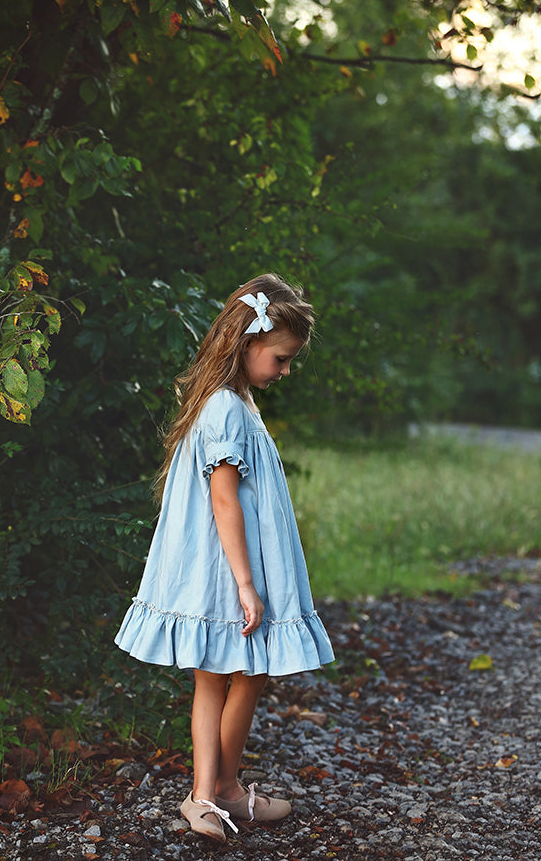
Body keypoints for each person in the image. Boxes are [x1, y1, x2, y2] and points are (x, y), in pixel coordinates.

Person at [114, 273, 334, 843]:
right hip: (221, 567)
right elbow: (222, 495)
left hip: (225, 562)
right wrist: (245, 582)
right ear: (247, 344)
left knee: (230, 676)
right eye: (281, 358)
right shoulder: (225, 408)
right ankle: (208, 794)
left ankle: (223, 789)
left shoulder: (232, 401)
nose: (285, 371)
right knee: (233, 674)